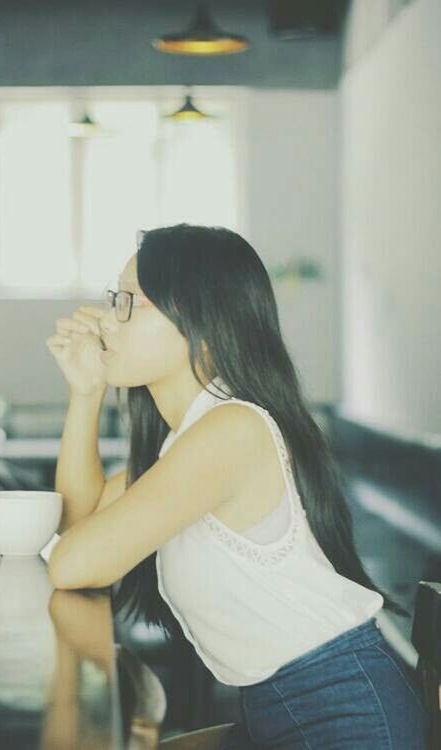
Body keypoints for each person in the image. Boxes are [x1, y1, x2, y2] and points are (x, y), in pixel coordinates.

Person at [46, 224, 428, 749]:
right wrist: (85, 393)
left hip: (342, 714)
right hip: (275, 711)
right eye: (114, 300)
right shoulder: (189, 440)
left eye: (129, 302)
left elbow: (72, 560)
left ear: (197, 320)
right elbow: (80, 526)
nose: (107, 320)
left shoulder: (230, 432)